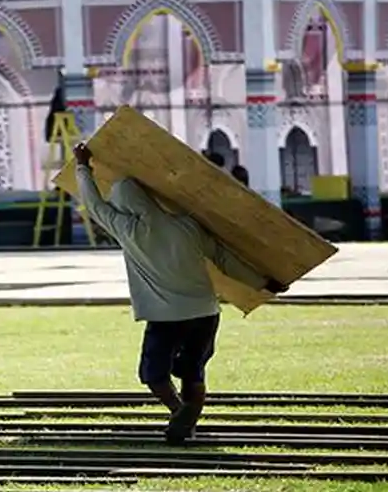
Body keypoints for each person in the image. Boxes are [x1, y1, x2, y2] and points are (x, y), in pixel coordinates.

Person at [71, 142, 287, 444]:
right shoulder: (187, 225)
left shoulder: (127, 229)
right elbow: (225, 260)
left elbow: (94, 205)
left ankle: (178, 411)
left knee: (154, 374)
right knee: (193, 372)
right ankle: (188, 419)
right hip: (205, 311)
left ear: (125, 206)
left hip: (165, 315)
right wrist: (262, 282)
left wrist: (82, 166)